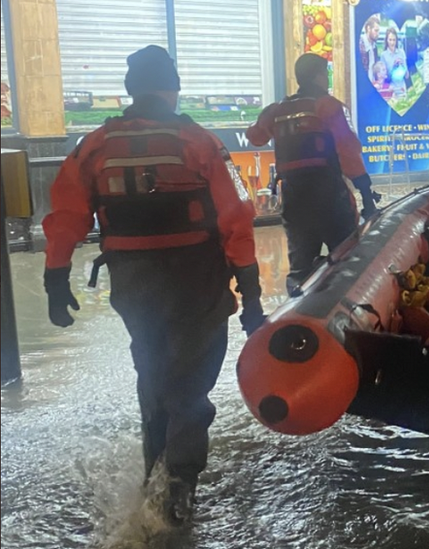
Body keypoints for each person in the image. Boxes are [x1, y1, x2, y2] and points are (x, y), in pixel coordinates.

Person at [42, 45, 265, 525]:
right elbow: (238, 218)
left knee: (153, 370)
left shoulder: (94, 147)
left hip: (134, 283)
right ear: (174, 87)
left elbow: (65, 216)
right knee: (190, 382)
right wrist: (251, 297)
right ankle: (179, 483)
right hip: (196, 282)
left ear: (130, 90)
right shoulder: (201, 142)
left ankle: (154, 474)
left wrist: (55, 278)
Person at [247, 53, 378, 293]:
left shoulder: (277, 110)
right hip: (330, 197)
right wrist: (366, 194)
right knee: (347, 261)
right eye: (325, 74)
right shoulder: (327, 106)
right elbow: (348, 150)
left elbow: (255, 136)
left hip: (295, 200)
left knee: (300, 267)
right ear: (319, 76)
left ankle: (298, 312)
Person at [381, 27, 409, 96]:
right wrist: (393, 68)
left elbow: (407, 76)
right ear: (386, 40)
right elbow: (385, 79)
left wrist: (402, 66)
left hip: (402, 89)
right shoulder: (383, 55)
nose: (392, 42)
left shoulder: (401, 52)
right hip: (391, 89)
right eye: (390, 40)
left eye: (394, 40)